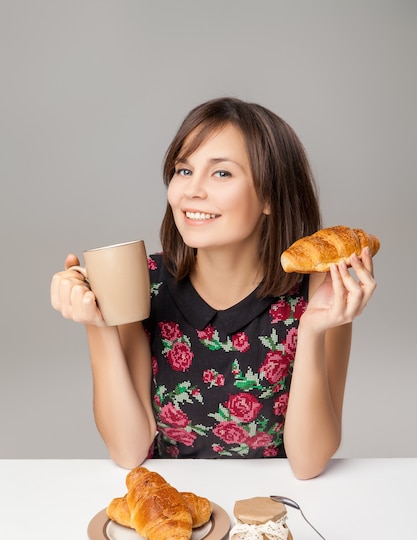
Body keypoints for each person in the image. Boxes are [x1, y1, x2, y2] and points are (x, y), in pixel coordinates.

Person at [50, 97, 377, 479]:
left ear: (269, 195)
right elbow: (128, 450)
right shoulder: (144, 279)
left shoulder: (320, 289)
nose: (192, 191)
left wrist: (312, 330)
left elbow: (307, 464)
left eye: (221, 174)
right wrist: (97, 322)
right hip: (178, 512)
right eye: (183, 170)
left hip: (270, 514)